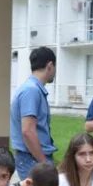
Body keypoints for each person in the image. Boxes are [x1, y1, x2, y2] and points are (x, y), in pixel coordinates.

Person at [11, 46, 57, 178]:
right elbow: (28, 131)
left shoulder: (33, 89)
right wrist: (44, 163)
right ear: (50, 65)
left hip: (32, 158)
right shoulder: (31, 91)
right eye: (54, 67)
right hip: (32, 159)